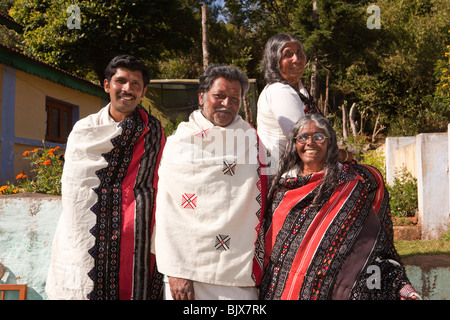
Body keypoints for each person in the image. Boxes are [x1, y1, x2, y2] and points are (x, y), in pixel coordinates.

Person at [259, 113, 420, 300]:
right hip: (280, 290)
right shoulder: (280, 188)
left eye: (319, 136)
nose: (310, 142)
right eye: (303, 137)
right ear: (295, 143)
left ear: (330, 143)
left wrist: (401, 288)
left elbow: (374, 248)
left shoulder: (351, 184)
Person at [45, 55, 166, 300]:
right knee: (84, 284)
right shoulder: (85, 130)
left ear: (143, 92)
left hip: (137, 237)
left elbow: (161, 181)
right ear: (107, 85)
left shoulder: (153, 132)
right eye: (121, 81)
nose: (127, 89)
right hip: (88, 231)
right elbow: (75, 189)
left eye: (135, 84)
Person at [153, 64, 268, 300]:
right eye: (219, 96)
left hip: (239, 270)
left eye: (234, 99)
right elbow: (167, 212)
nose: (227, 103)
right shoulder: (181, 143)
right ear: (201, 96)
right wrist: (176, 271)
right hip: (188, 272)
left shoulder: (252, 142)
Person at [257, 33, 350, 175]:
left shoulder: (299, 90)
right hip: (284, 174)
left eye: (299, 52)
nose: (297, 59)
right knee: (366, 177)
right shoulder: (280, 91)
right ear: (274, 60)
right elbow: (306, 141)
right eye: (287, 54)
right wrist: (344, 156)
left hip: (301, 166)